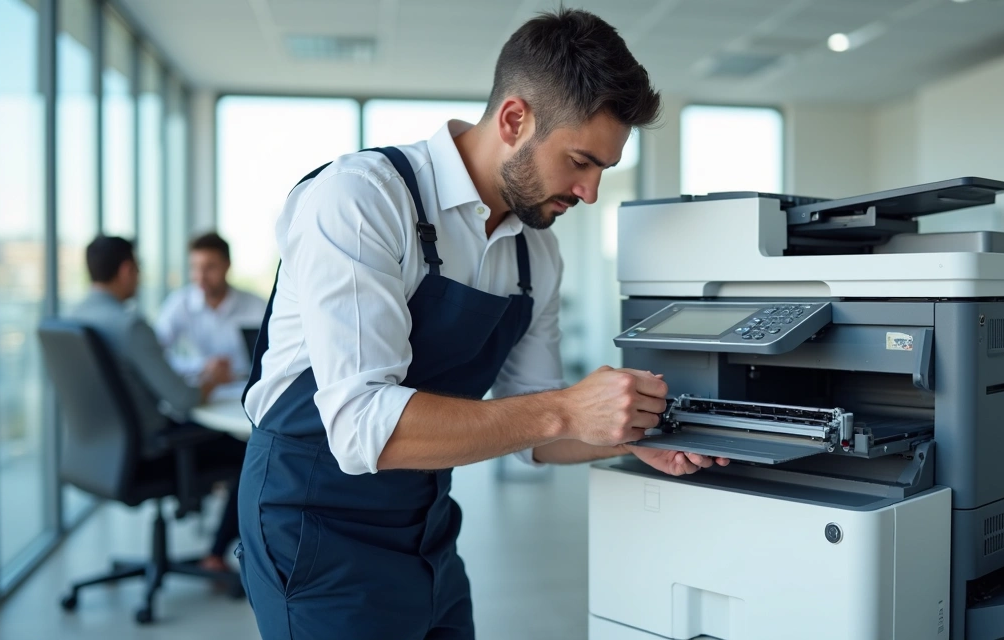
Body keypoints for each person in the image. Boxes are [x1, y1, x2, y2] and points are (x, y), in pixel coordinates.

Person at [237, 9, 728, 639]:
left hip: (426, 525)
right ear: (515, 119)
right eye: (581, 161)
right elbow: (362, 428)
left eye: (602, 168)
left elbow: (532, 427)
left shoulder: (535, 253)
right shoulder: (362, 199)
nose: (590, 192)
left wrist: (628, 435)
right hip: (312, 523)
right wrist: (569, 409)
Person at [65, 236, 246, 575]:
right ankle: (218, 552)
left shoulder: (74, 319)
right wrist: (212, 379)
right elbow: (184, 398)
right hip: (151, 454)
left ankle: (217, 549)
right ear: (126, 269)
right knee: (249, 455)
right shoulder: (129, 325)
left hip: (98, 453)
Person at [156, 232, 267, 383]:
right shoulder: (180, 303)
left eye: (210, 267)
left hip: (248, 390)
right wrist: (200, 366)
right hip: (202, 392)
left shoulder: (257, 306)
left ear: (227, 265)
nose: (200, 276)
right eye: (195, 267)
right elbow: (155, 354)